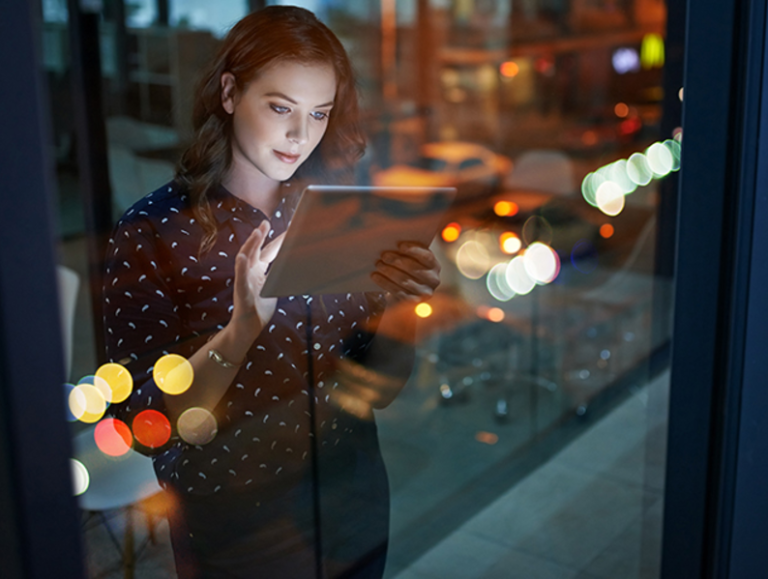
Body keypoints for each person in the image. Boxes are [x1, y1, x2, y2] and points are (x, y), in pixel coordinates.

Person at [103, 6, 440, 579]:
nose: (299, 136)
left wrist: (406, 301)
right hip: (237, 521)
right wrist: (241, 332)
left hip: (350, 492)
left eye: (318, 114)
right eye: (280, 107)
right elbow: (144, 422)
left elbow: (379, 385)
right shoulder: (154, 231)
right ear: (231, 93)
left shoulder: (334, 211)